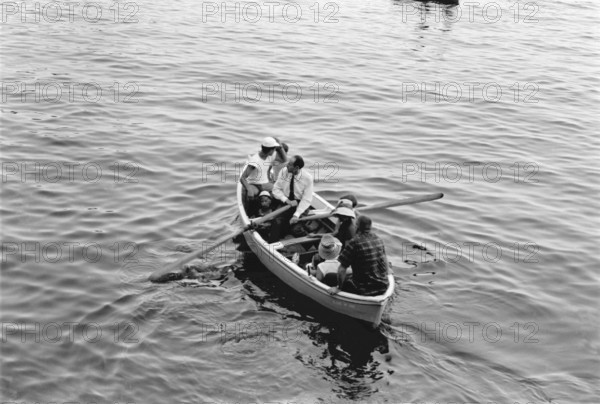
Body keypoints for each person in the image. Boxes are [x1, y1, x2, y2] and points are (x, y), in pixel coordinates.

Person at [328, 215, 390, 297]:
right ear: (370, 227)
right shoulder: (378, 239)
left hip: (362, 289)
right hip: (383, 286)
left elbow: (342, 269)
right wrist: (388, 272)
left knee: (329, 277)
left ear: (357, 226)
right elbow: (385, 260)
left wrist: (338, 288)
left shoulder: (354, 242)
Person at [269, 155, 314, 242]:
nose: (286, 166)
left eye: (289, 164)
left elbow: (306, 199)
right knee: (276, 221)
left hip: (301, 205)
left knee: (296, 229)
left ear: (296, 167)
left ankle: (309, 239)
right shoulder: (284, 171)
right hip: (287, 202)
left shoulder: (307, 178)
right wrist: (286, 200)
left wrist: (296, 215)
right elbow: (276, 189)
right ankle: (272, 244)